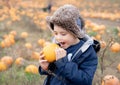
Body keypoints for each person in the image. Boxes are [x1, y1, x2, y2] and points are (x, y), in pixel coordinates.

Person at [39, 4, 99, 85]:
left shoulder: (87, 53)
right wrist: (46, 68)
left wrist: (63, 63)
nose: (58, 38)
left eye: (63, 34)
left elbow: (85, 80)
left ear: (75, 33)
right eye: (56, 33)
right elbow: (55, 74)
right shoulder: (57, 47)